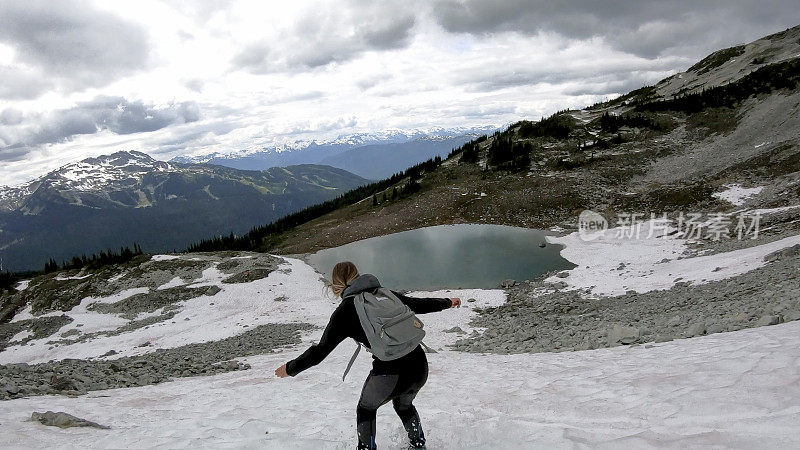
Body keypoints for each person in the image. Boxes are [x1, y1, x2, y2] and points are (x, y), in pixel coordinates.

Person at [275, 261, 461, 450]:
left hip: (390, 374)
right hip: (419, 366)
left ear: (335, 284)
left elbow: (319, 352)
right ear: (358, 276)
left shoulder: (345, 311)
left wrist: (290, 369)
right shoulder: (384, 293)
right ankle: (419, 445)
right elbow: (417, 304)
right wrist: (447, 302)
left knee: (366, 409)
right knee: (403, 406)